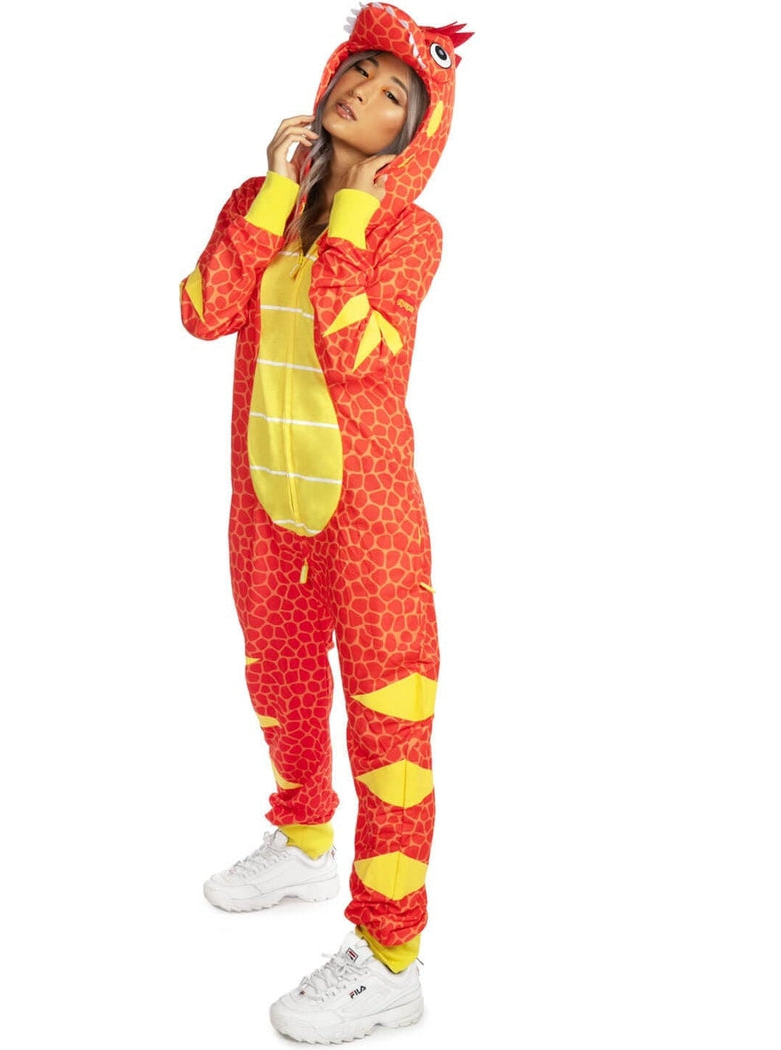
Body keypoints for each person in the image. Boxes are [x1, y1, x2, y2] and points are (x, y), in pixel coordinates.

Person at [179, 4, 470, 1042]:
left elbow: (357, 352)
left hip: (370, 515)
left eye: (394, 94)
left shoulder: (409, 233)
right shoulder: (260, 205)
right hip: (268, 502)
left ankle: (390, 958)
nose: (363, 93)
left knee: (389, 721)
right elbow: (204, 310)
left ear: (411, 136)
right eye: (358, 72)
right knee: (282, 678)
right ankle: (303, 843)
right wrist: (278, 191)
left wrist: (348, 215)